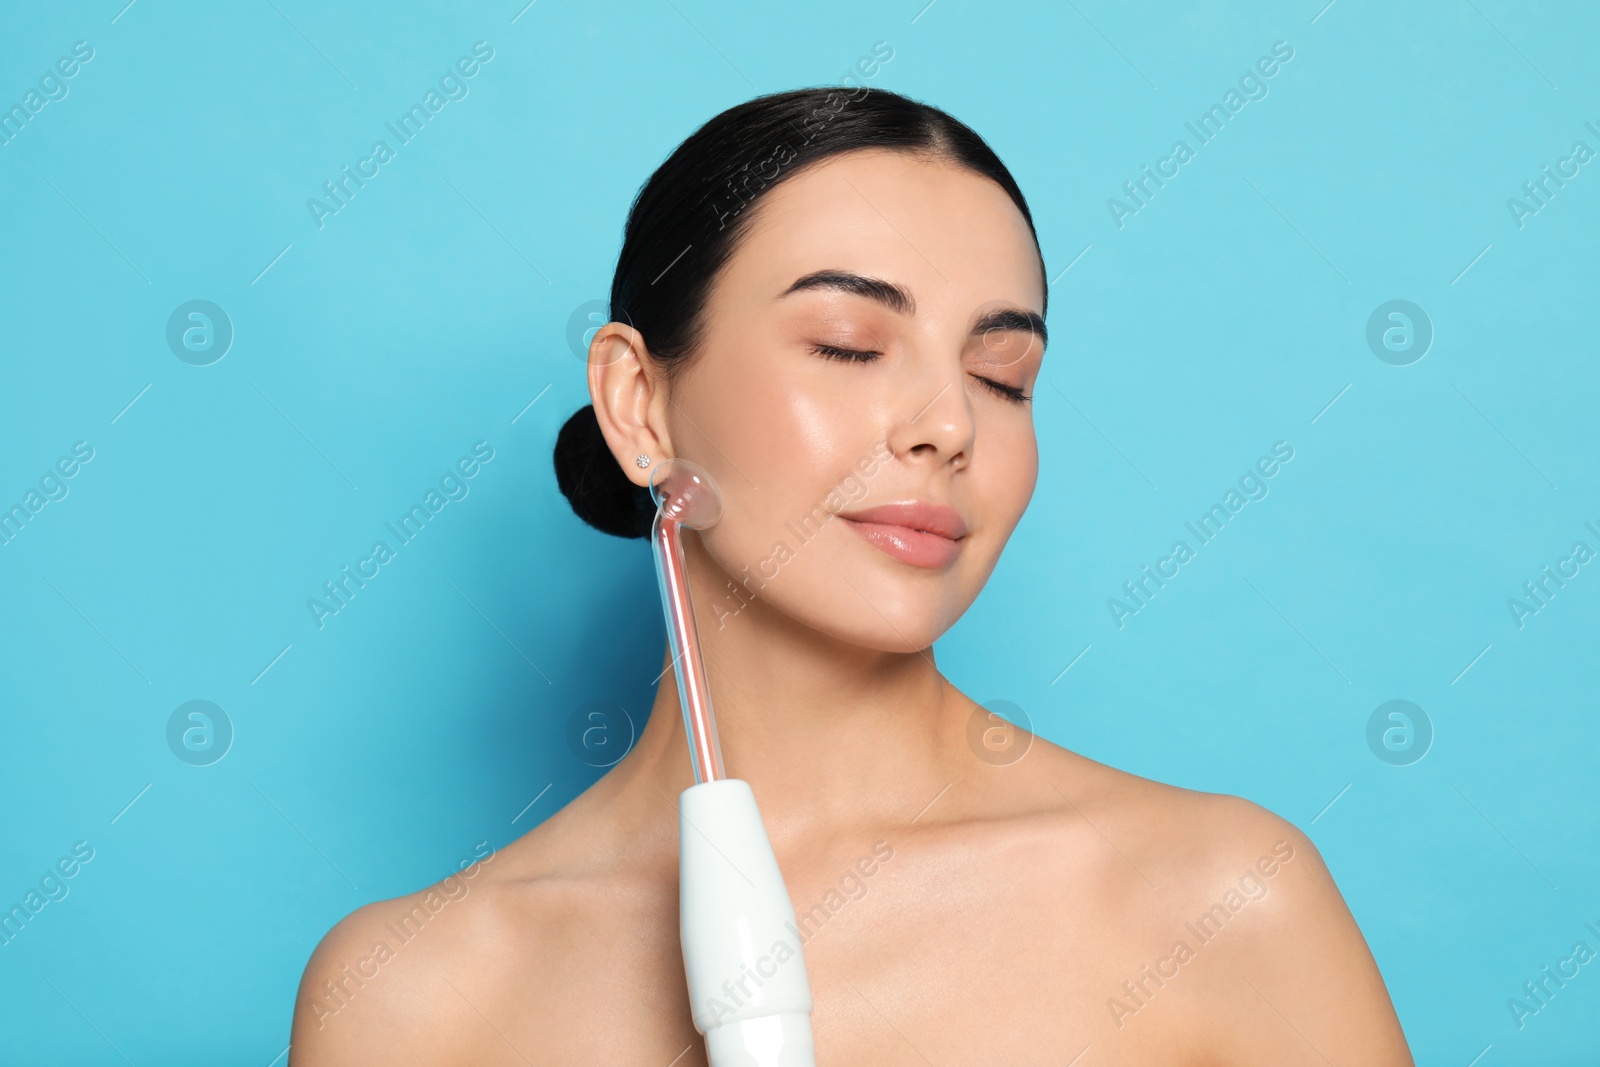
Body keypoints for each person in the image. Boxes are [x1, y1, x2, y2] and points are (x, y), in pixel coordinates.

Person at [290, 86, 1413, 1065]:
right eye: (846, 344)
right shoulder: (407, 996)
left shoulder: (1214, 902)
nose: (944, 424)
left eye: (1002, 373)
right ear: (639, 402)